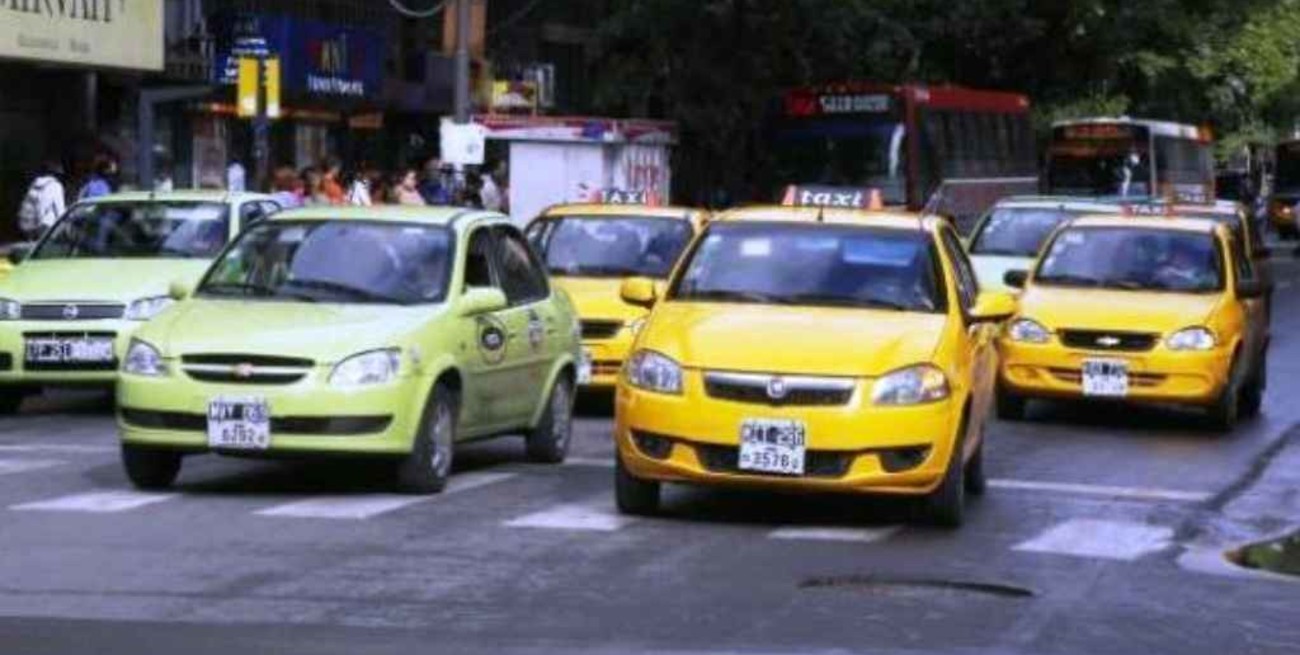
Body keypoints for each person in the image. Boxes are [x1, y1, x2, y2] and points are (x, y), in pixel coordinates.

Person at [18, 161, 66, 240]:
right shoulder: (56, 186)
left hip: (29, 223)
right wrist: (64, 227)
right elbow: (60, 210)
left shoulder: (36, 182)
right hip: (46, 225)